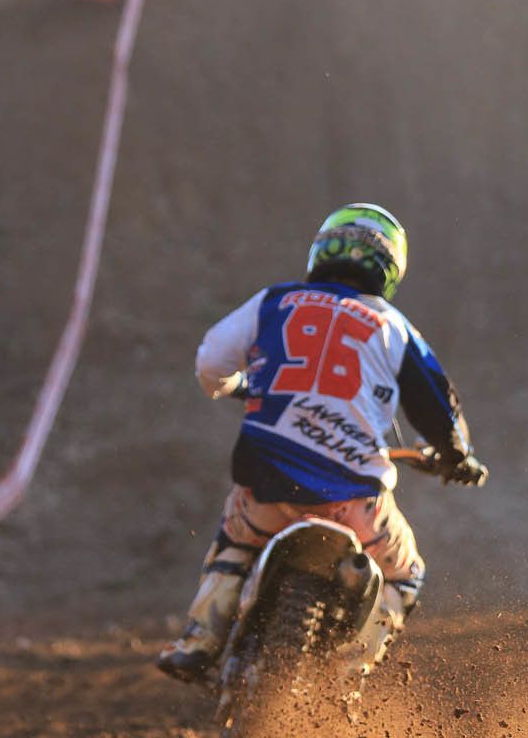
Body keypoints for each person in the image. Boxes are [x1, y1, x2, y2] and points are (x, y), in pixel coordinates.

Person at [156, 203, 487, 686]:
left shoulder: (274, 301)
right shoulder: (392, 326)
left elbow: (210, 362)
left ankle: (199, 640)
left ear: (322, 249)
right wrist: (458, 456)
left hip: (265, 489)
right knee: (405, 574)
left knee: (236, 542)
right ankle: (350, 671)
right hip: (354, 503)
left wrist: (239, 385)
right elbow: (440, 407)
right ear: (390, 267)